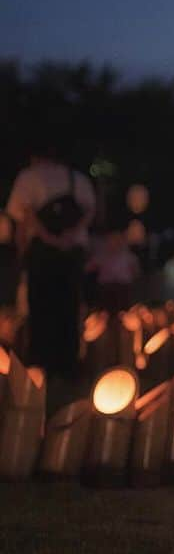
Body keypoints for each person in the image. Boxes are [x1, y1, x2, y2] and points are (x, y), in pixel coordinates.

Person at [5, 139, 96, 382]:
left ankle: (41, 366)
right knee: (69, 306)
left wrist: (45, 239)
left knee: (41, 307)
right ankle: (68, 363)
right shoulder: (78, 180)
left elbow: (24, 213)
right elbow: (89, 212)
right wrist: (69, 236)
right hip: (73, 251)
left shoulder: (30, 177)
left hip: (43, 253)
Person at [87, 229, 141, 313]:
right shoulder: (102, 256)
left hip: (123, 286)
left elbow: (135, 271)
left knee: (123, 309)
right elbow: (89, 267)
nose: (114, 243)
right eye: (111, 240)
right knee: (107, 310)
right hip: (106, 287)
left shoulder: (128, 256)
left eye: (117, 240)